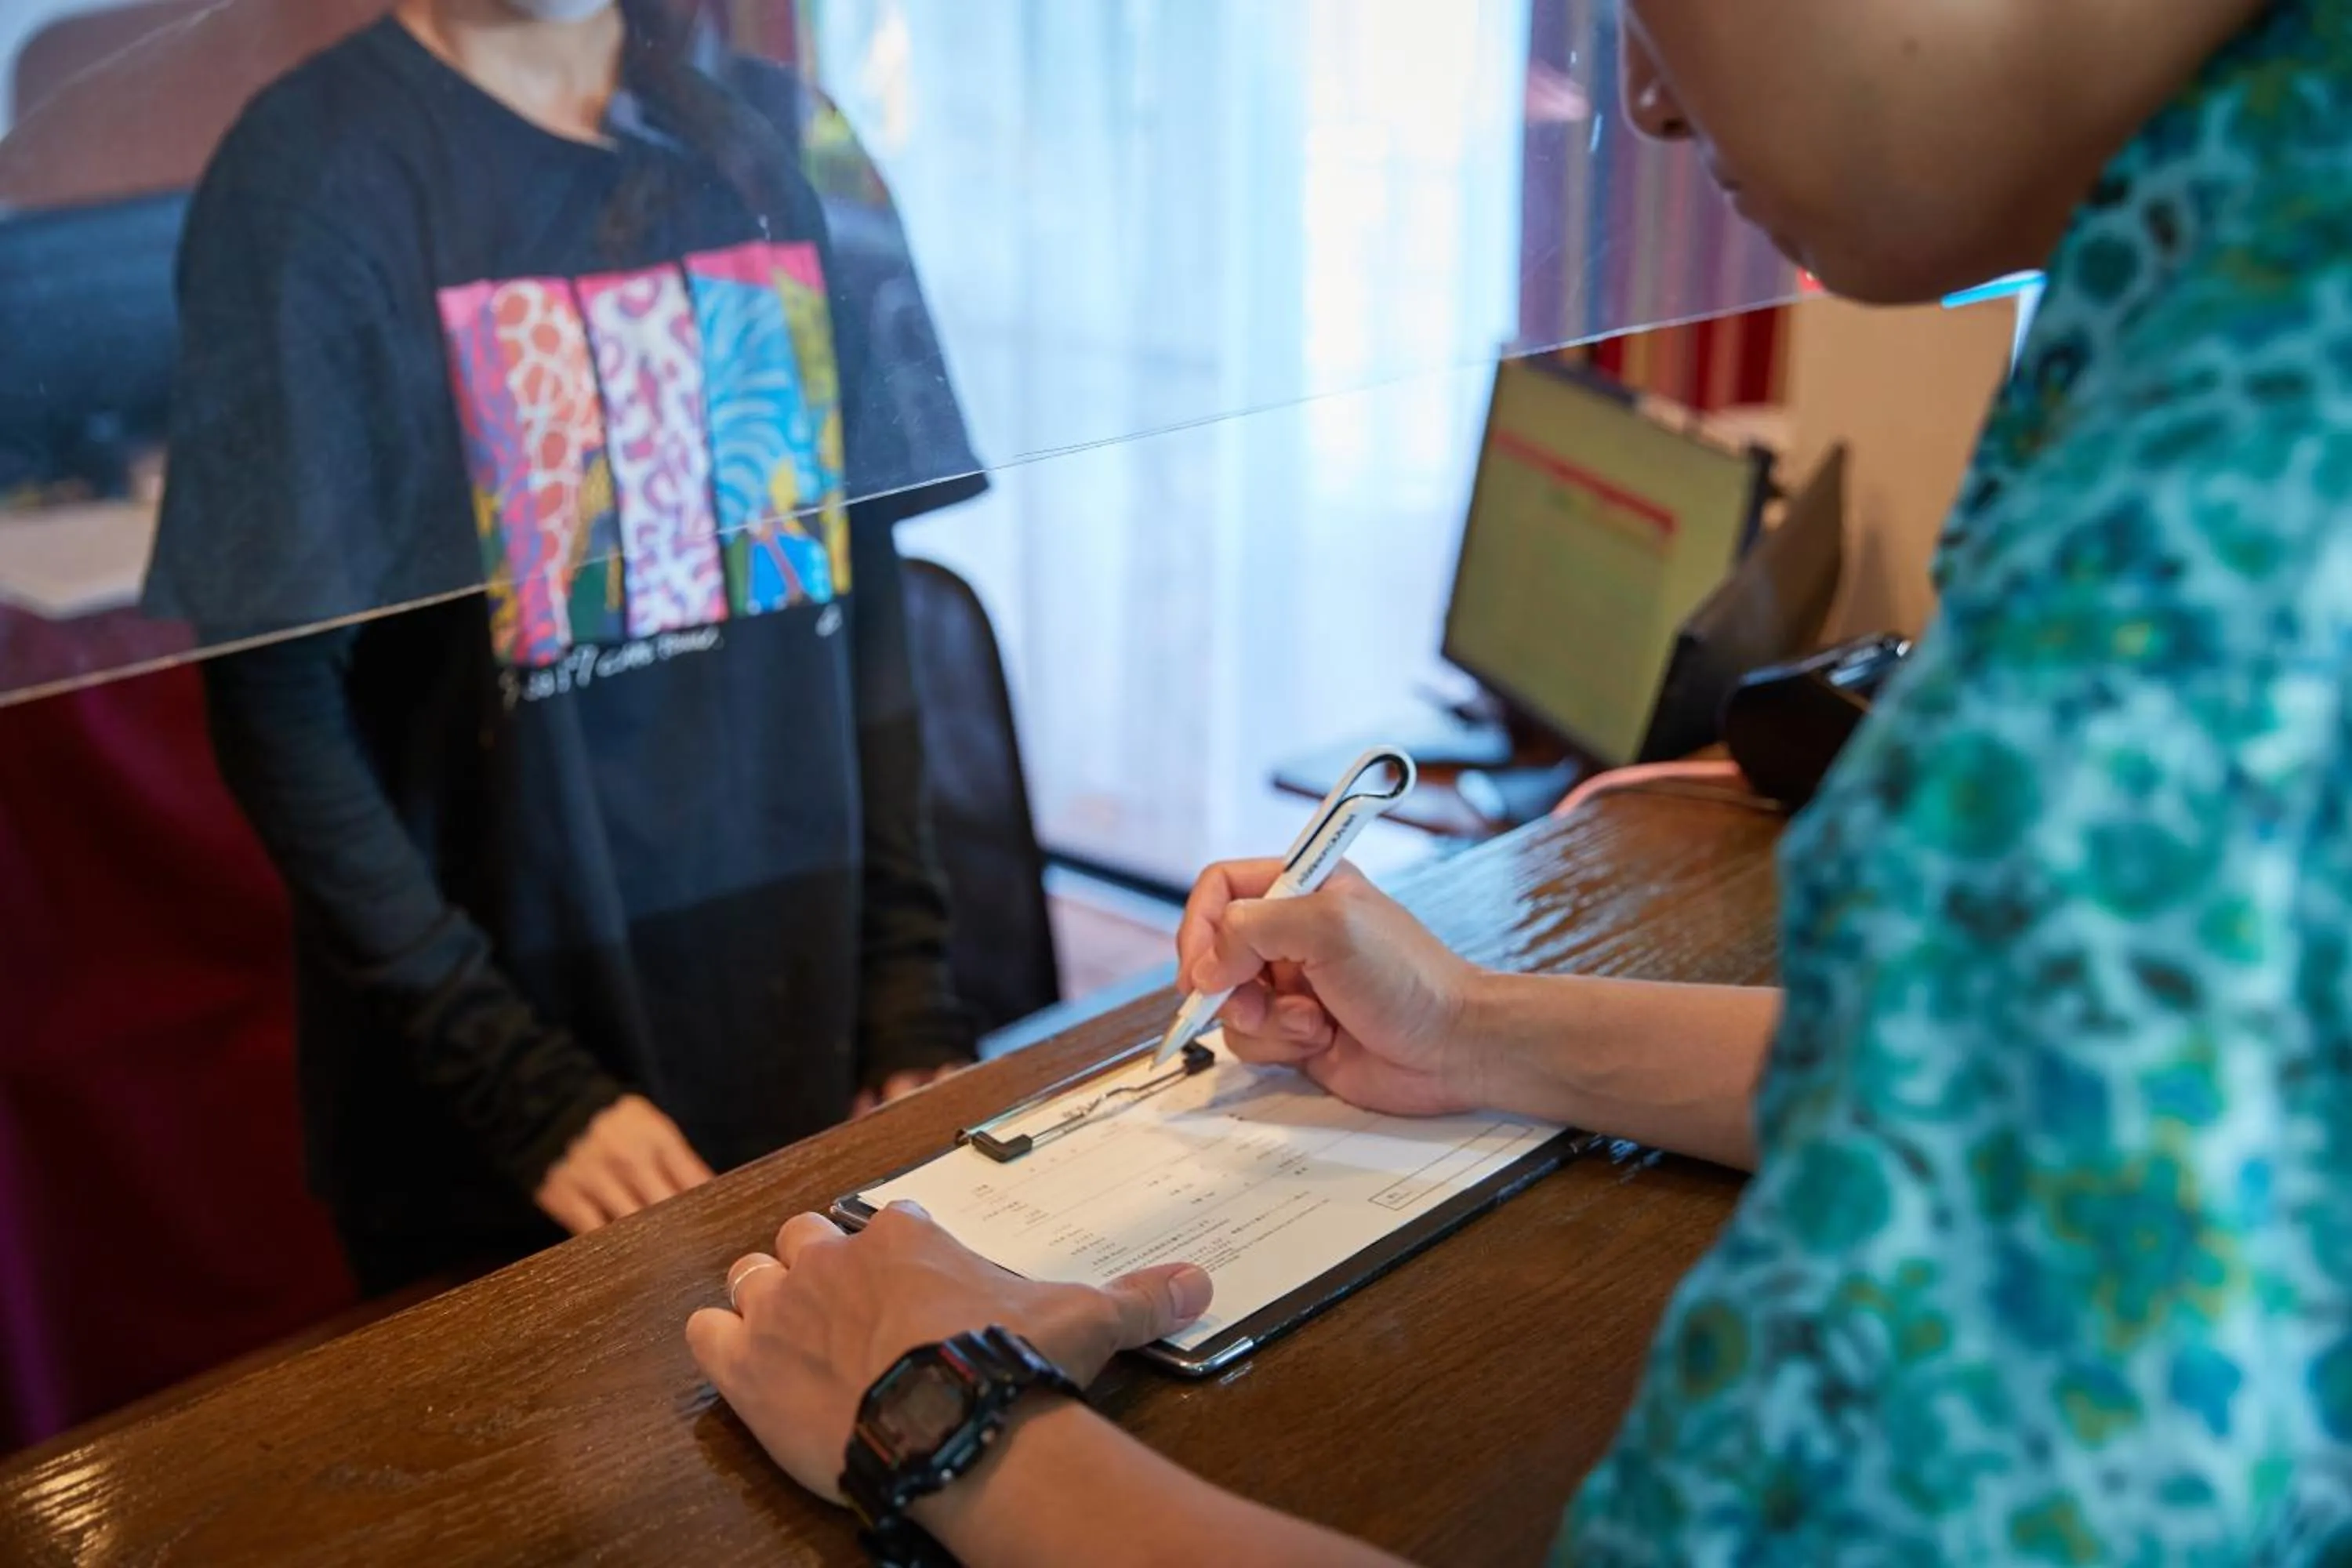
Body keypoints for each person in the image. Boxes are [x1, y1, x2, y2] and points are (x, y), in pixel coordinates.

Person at [685, 0, 2352, 1561]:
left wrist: (957, 1421)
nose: (1639, 92)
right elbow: (2008, 1080)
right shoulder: (2228, 256)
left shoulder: (2238, 487)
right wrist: (1474, 1027)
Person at [143, 0, 987, 1296]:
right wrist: (516, 1082)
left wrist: (906, 979)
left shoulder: (771, 130)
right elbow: (276, 710)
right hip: (510, 1139)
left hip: (811, 1054)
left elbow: (865, 593)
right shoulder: (312, 172)